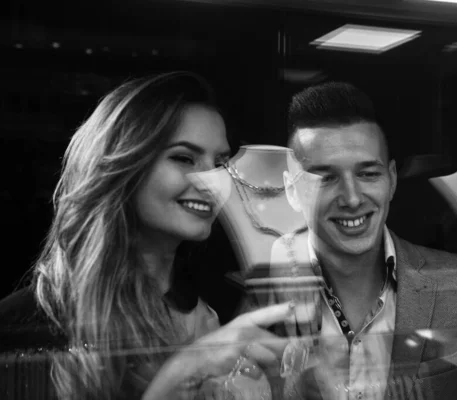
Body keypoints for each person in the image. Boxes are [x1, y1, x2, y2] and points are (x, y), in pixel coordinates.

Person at [0, 71, 293, 400]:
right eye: (184, 158)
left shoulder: (213, 311)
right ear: (125, 165)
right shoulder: (25, 326)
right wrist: (184, 371)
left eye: (221, 163)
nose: (213, 181)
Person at [266, 82, 457, 400]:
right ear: (292, 190)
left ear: (391, 180)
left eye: (367, 174)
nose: (351, 198)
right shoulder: (260, 296)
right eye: (325, 178)